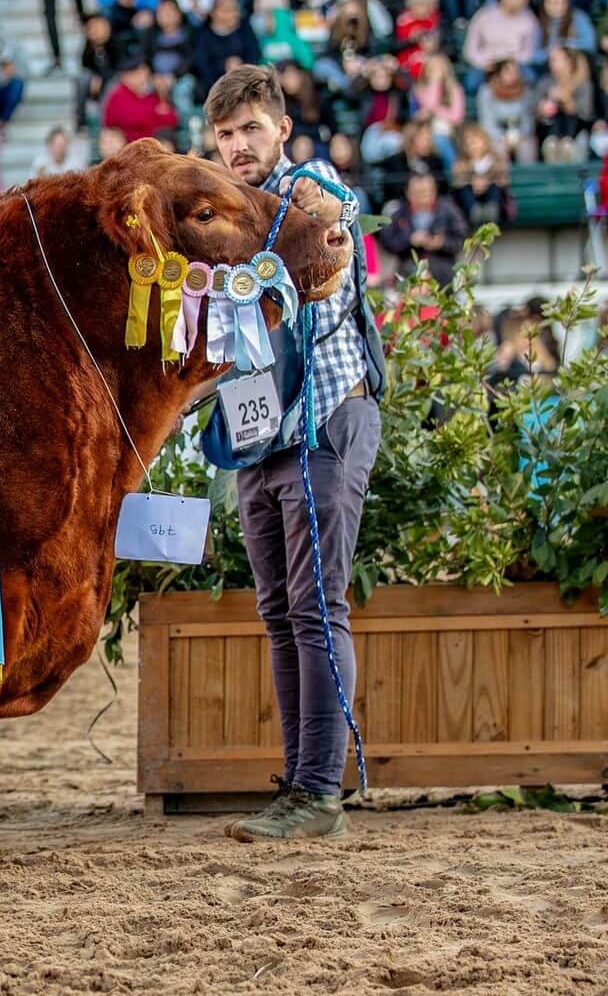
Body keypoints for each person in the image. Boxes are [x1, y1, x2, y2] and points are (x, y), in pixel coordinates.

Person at [204, 65, 386, 842]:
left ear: (280, 127)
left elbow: (337, 212)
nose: (238, 145)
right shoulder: (220, 217)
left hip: (325, 420)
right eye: (224, 134)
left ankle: (319, 793)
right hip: (258, 436)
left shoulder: (307, 187)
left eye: (250, 128)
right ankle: (299, 786)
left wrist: (330, 214)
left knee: (316, 609)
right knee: (280, 614)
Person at [379, 172, 469, 285]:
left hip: (443, 276)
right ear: (407, 193)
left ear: (434, 191)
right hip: (408, 275)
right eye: (417, 193)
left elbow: (461, 238)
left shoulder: (448, 210)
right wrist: (409, 239)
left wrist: (441, 242)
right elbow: (387, 241)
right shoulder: (399, 212)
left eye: (426, 192)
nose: (422, 197)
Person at [102, 55, 180, 143]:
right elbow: (136, 120)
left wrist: (163, 93)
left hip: (153, 146)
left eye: (145, 72)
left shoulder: (153, 93)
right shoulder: (118, 95)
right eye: (139, 73)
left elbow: (172, 120)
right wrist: (156, 116)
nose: (144, 76)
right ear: (126, 76)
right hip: (128, 148)